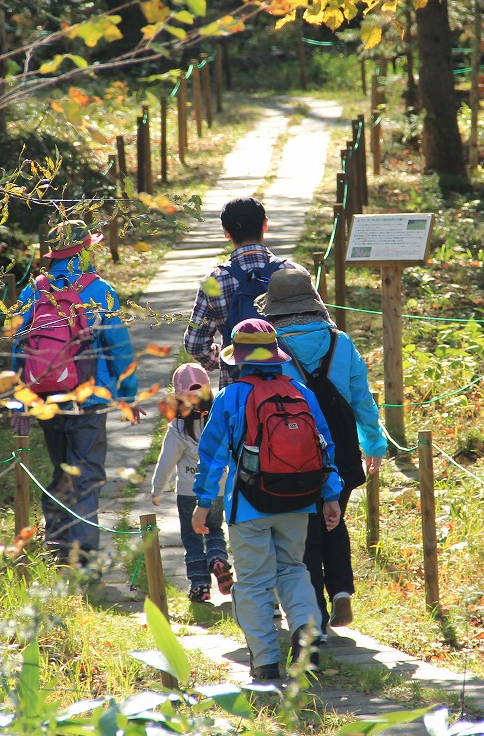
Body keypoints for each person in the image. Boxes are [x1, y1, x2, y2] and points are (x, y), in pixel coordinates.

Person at [192, 318, 344, 681]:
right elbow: (325, 447)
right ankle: (307, 633)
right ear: (276, 356)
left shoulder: (232, 396)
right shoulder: (301, 393)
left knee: (256, 581)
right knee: (293, 569)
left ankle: (264, 661)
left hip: (249, 505)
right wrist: (330, 496)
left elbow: (212, 455)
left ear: (239, 358)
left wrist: (203, 502)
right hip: (299, 500)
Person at [256, 268, 385, 631]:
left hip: (291, 453)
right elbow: (361, 397)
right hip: (341, 449)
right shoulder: (340, 342)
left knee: (304, 532)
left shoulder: (271, 348)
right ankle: (342, 591)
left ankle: (314, 614)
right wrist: (372, 443)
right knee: (334, 519)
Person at [16, 219, 142, 566]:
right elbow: (119, 347)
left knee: (61, 469)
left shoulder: (35, 290)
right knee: (85, 474)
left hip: (46, 398)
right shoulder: (99, 290)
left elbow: (18, 346)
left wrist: (20, 395)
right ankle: (83, 557)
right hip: (90, 398)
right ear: (85, 250)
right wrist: (127, 395)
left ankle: (58, 549)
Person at [184, 196, 309, 387]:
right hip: (293, 386)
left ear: (226, 232)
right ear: (265, 225)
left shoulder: (214, 281)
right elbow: (320, 329)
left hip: (237, 388)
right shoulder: (293, 272)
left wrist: (229, 356)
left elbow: (195, 344)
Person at [150, 362, 234, 603]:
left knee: (192, 536)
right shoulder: (218, 421)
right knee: (215, 528)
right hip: (218, 488)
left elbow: (166, 461)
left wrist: (157, 489)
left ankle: (200, 586)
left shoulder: (177, 427)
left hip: (187, 492)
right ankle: (218, 559)